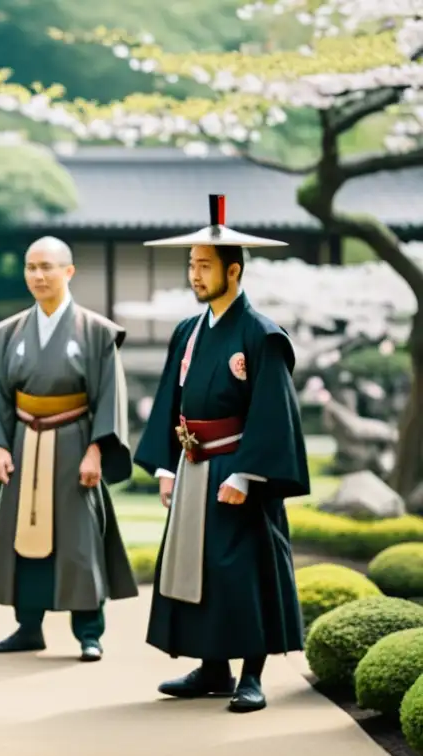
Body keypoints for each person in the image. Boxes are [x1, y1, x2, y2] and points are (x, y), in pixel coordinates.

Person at [134, 194, 310, 713]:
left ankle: (251, 674)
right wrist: (167, 464)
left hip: (238, 467)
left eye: (204, 266)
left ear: (233, 271)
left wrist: (249, 473)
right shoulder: (189, 332)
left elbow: (273, 411)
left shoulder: (261, 335)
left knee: (243, 569)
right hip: (193, 464)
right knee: (199, 566)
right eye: (191, 266)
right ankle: (212, 668)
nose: (195, 275)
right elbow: (171, 398)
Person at [0, 236, 137, 661]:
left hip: (75, 440)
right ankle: (28, 627)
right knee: (23, 534)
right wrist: (0, 448)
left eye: (47, 266)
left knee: (79, 540)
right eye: (31, 267)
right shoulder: (8, 334)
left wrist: (97, 450)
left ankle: (89, 632)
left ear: (68, 271)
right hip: (24, 442)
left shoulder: (96, 332)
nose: (38, 275)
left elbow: (109, 397)